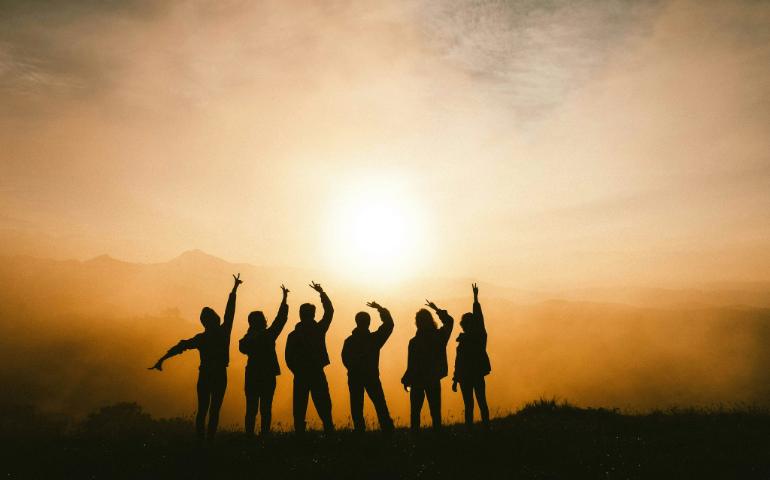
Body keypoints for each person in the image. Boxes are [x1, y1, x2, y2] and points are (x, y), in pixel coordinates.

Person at [149, 273, 243, 441]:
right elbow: (230, 311)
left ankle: (201, 441)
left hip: (205, 374)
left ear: (204, 322)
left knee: (202, 410)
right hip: (220, 374)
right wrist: (234, 289)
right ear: (216, 319)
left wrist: (162, 359)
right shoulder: (224, 332)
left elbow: (180, 346)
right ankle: (210, 441)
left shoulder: (201, 338)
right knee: (214, 410)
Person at [239, 284, 290, 436]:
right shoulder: (268, 335)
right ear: (263, 321)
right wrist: (284, 299)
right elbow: (281, 319)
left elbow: (242, 348)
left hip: (252, 375)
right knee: (266, 408)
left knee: (251, 408)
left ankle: (249, 436)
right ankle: (265, 436)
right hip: (267, 375)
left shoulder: (248, 338)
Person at [284, 281, 335, 434]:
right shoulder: (318, 330)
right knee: (322, 405)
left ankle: (300, 435)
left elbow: (288, 358)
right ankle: (329, 432)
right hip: (315, 372)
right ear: (313, 315)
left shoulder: (294, 335)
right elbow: (329, 311)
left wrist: (297, 370)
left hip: (302, 374)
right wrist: (322, 293)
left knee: (300, 407)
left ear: (301, 315)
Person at [341, 301, 395, 434]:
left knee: (356, 406)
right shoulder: (374, 339)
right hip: (371, 376)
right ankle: (387, 430)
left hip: (355, 376)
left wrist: (353, 369)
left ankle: (360, 431)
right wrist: (380, 309)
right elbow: (389, 325)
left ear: (356, 322)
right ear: (369, 323)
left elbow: (345, 359)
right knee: (380, 404)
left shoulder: (350, 341)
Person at [401, 300, 453, 432]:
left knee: (415, 413)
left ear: (417, 323)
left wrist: (407, 379)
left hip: (417, 380)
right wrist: (437, 309)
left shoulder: (414, 342)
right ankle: (437, 437)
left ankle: (415, 438)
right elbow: (449, 322)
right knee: (435, 412)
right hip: (433, 378)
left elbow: (411, 364)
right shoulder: (439, 337)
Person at [452, 283, 491, 429]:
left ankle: (471, 430)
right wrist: (455, 379)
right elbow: (458, 362)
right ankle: (485, 428)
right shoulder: (479, 337)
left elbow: (459, 362)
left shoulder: (476, 336)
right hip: (474, 374)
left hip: (466, 376)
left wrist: (475, 299)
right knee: (479, 402)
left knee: (471, 404)